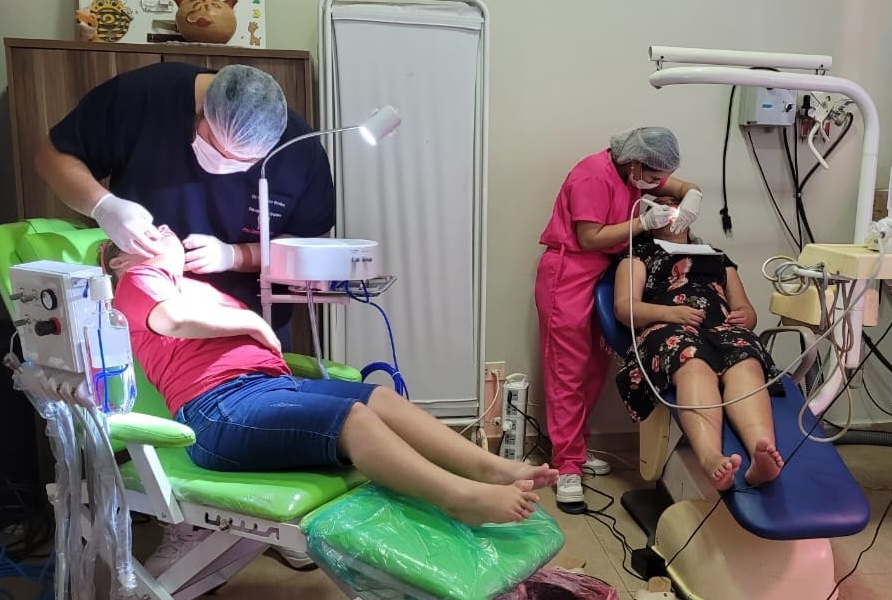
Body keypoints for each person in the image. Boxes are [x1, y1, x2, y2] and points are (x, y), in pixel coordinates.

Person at [99, 227, 559, 575]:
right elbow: (174, 321)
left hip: (267, 389)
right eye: (148, 232)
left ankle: (489, 468)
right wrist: (254, 325)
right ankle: (458, 497)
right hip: (221, 409)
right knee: (354, 419)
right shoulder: (137, 280)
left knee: (380, 399)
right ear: (120, 259)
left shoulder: (190, 285)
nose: (162, 229)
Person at [34, 61, 334, 345]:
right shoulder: (141, 98)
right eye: (215, 144)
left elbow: (308, 248)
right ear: (202, 110)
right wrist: (101, 204)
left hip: (255, 324)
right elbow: (52, 155)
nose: (225, 162)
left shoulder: (300, 151)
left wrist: (235, 256)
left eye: (245, 161)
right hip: (141, 326)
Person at [535, 127, 703, 505]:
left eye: (660, 177)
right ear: (634, 164)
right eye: (653, 176)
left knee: (594, 369)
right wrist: (644, 222)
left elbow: (679, 185)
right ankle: (567, 465)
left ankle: (576, 450)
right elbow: (589, 238)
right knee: (567, 373)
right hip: (570, 273)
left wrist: (692, 194)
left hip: (602, 274)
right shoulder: (592, 176)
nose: (657, 184)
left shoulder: (638, 169)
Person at [612, 197, 784, 491]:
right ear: (650, 220)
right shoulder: (639, 254)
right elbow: (625, 308)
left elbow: (746, 309)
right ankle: (710, 458)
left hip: (722, 329)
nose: (671, 210)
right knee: (692, 361)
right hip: (668, 328)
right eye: (661, 207)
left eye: (676, 205)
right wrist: (671, 314)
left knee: (746, 359)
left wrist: (745, 316)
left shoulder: (716, 256)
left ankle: (761, 453)